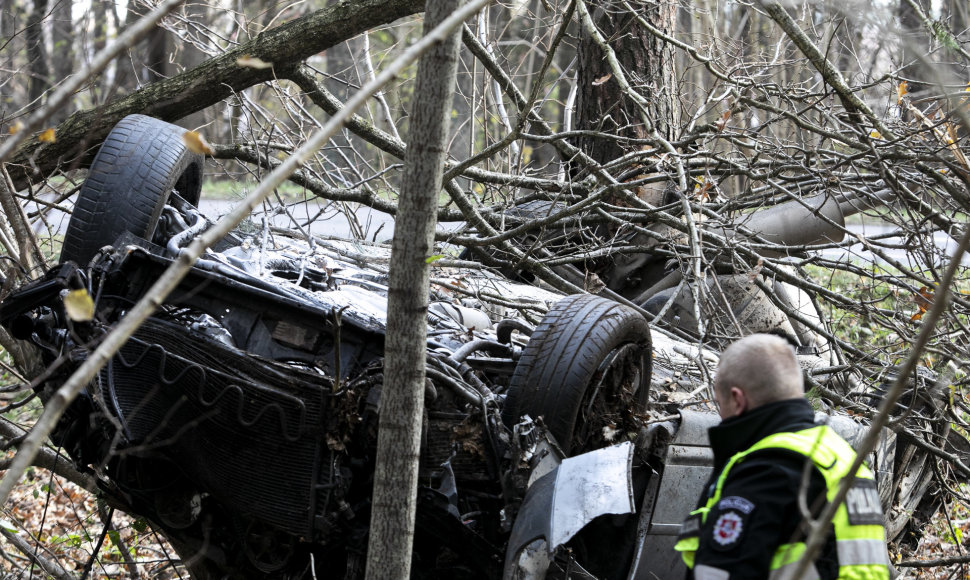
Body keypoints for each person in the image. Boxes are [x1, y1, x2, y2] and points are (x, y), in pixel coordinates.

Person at [673, 333, 890, 579]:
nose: (720, 413)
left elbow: (721, 572)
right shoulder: (842, 458)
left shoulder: (768, 469)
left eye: (719, 403)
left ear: (736, 399)